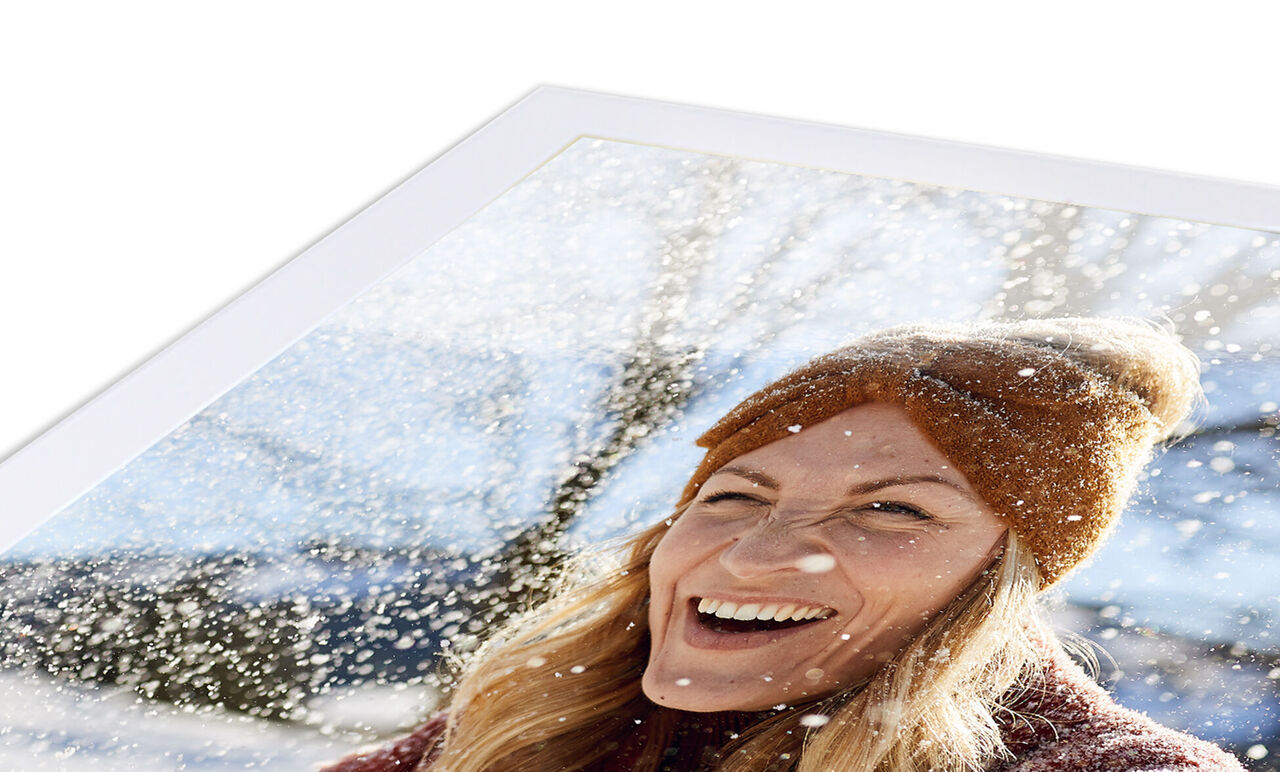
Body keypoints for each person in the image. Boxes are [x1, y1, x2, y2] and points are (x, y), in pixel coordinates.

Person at [321, 318, 1246, 771]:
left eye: (890, 511)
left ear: (1003, 575)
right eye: (733, 495)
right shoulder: (560, 721)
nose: (758, 556)